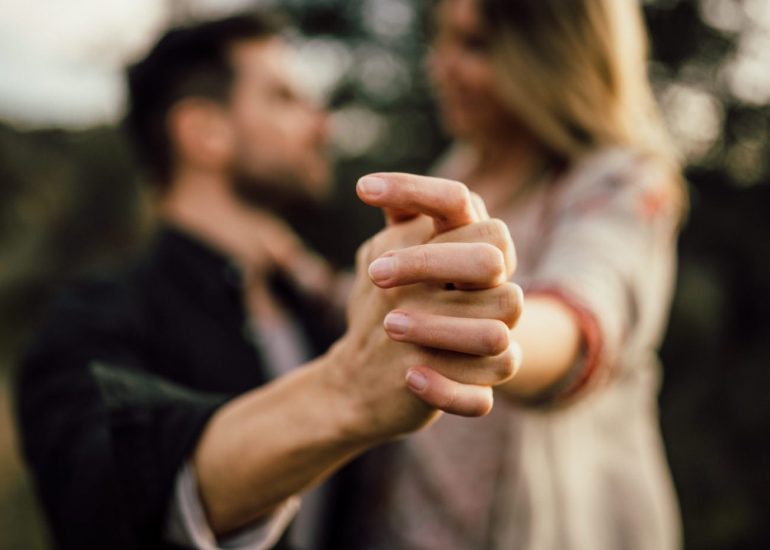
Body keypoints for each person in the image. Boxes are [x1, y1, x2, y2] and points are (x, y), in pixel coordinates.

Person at [14, 13, 522, 550]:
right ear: (205, 133)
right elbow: (100, 491)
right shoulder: (93, 318)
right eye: (284, 98)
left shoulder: (317, 311)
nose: (322, 125)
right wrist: (346, 390)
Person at [330, 1, 686, 549]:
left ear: (550, 52)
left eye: (474, 44)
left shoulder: (620, 181)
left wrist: (493, 334)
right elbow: (391, 310)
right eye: (442, 40)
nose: (440, 66)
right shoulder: (457, 172)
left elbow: (586, 311)